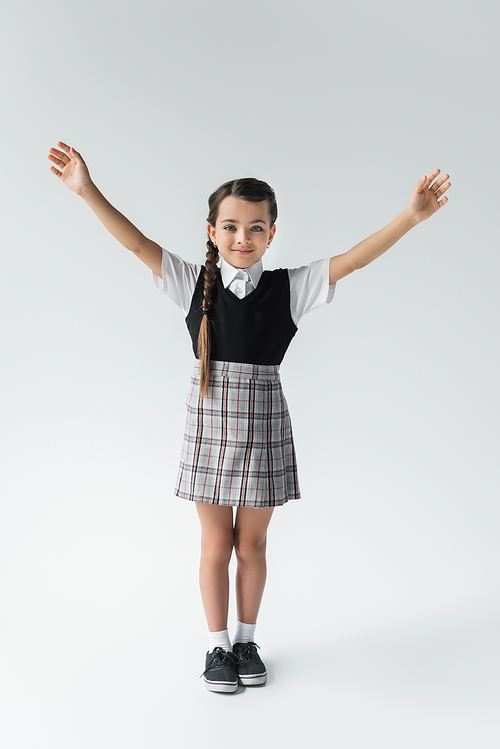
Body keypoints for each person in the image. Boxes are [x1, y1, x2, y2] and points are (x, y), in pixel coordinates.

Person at [47, 141, 451, 693]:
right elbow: (137, 243)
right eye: (232, 226)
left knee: (252, 545)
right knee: (216, 545)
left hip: (262, 429)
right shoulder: (193, 284)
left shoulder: (291, 288)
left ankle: (245, 639)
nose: (244, 238)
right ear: (212, 231)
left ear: (272, 233)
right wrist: (87, 190)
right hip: (209, 428)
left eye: (256, 228)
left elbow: (353, 259)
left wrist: (409, 217)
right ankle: (216, 647)